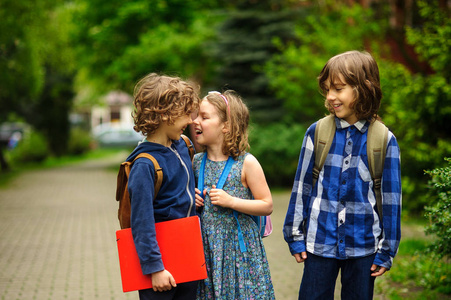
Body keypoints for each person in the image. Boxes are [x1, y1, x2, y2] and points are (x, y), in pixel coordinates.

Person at [283, 50, 402, 300]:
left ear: (364, 88)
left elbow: (391, 200)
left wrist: (387, 250)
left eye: (338, 89)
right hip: (319, 244)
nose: (330, 97)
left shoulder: (383, 140)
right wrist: (294, 235)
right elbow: (302, 186)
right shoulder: (317, 132)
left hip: (363, 247)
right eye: (327, 89)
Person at [193, 90, 275, 300]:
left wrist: (232, 201)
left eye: (204, 117)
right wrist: (194, 200)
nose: (195, 121)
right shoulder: (196, 162)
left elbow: (267, 205)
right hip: (208, 249)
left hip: (240, 253)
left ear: (226, 126)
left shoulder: (246, 163)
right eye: (196, 116)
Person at [127, 73, 200, 300]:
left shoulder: (183, 146)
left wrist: (192, 197)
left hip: (188, 256)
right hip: (161, 268)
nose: (190, 121)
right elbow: (141, 222)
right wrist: (155, 268)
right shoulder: (144, 165)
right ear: (165, 114)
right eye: (185, 114)